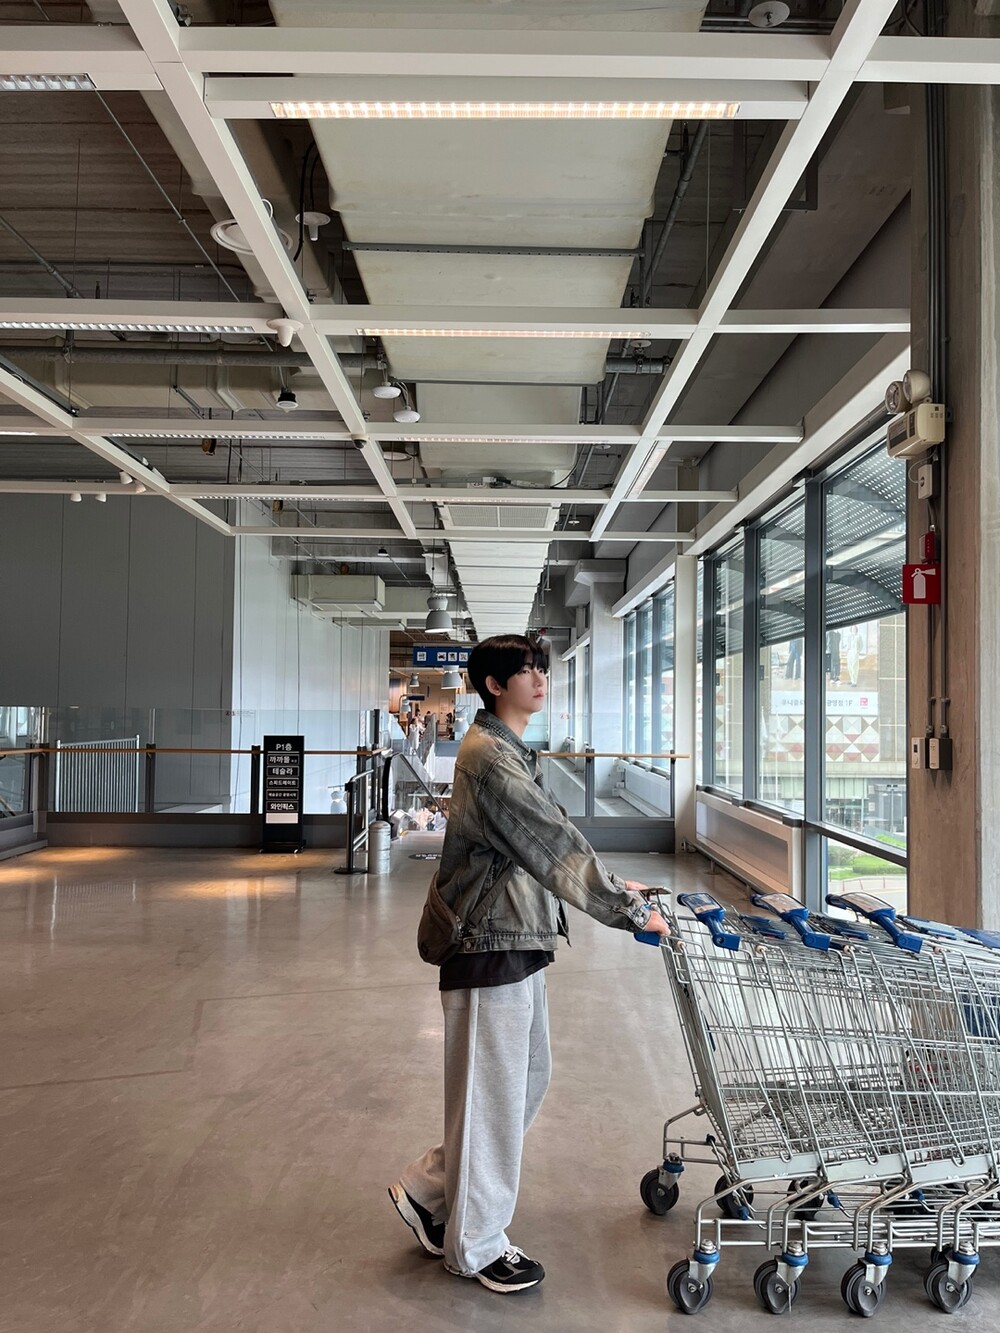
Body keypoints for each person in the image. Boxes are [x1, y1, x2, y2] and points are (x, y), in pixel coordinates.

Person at [388, 634, 670, 1294]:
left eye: (542, 668)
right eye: (525, 670)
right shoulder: (491, 760)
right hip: (486, 944)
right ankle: (476, 1244)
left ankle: (429, 1190)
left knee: (523, 1082)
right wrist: (627, 911)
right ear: (494, 685)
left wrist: (619, 886)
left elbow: (549, 845)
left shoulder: (509, 751)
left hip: (513, 937)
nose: (540, 679)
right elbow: (551, 846)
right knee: (494, 1097)